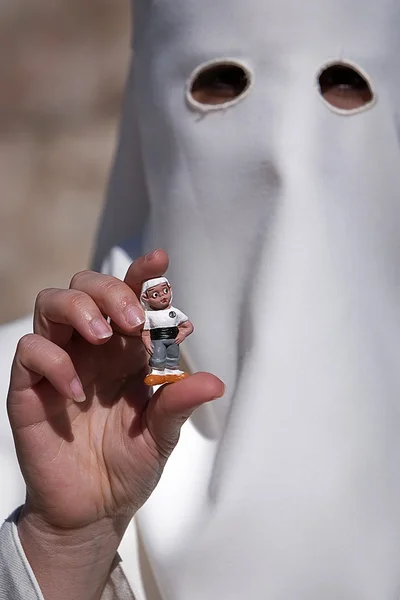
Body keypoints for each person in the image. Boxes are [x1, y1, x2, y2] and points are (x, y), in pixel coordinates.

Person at [2, 0, 400, 598]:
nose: (282, 153)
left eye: (344, 82)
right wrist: (62, 547)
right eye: (224, 82)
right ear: (151, 114)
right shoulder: (36, 404)